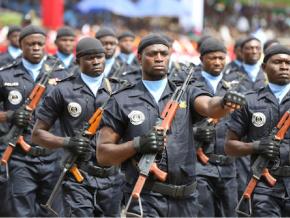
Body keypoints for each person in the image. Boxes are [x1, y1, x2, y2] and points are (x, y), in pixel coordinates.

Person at [96, 33, 246, 217]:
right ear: (140, 59)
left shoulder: (185, 92)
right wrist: (137, 144)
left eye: (164, 53)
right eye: (152, 54)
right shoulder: (122, 100)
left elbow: (209, 106)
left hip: (186, 200)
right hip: (144, 197)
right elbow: (103, 155)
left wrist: (224, 102)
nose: (159, 58)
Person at [31, 37, 123, 217]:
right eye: (89, 58)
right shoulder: (62, 90)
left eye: (100, 57)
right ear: (77, 61)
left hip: (112, 179)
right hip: (77, 177)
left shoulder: (120, 90)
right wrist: (67, 142)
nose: (96, 62)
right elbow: (37, 134)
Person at [0, 25, 69, 217]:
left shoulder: (61, 74)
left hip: (54, 156)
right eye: (31, 44)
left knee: (54, 211)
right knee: (21, 211)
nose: (36, 48)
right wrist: (9, 116)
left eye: (40, 44)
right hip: (20, 157)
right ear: (21, 45)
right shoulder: (5, 74)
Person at [225, 44, 290, 217]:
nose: (284, 66)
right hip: (263, 187)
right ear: (264, 67)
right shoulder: (249, 101)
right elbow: (230, 146)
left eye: (288, 63)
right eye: (278, 62)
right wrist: (257, 147)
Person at [192, 37, 238, 217]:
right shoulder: (191, 87)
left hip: (228, 167)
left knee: (230, 213)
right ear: (201, 59)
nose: (218, 62)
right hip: (200, 167)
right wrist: (195, 132)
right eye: (212, 58)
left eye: (221, 58)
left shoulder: (231, 88)